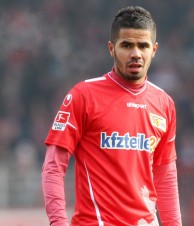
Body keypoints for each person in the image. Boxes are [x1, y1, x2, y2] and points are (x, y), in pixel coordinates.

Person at [42, 5, 182, 226]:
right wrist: (58, 223)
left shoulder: (164, 103)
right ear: (111, 48)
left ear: (154, 50)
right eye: (126, 45)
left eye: (143, 46)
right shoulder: (83, 96)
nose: (135, 53)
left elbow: (165, 174)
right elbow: (53, 166)